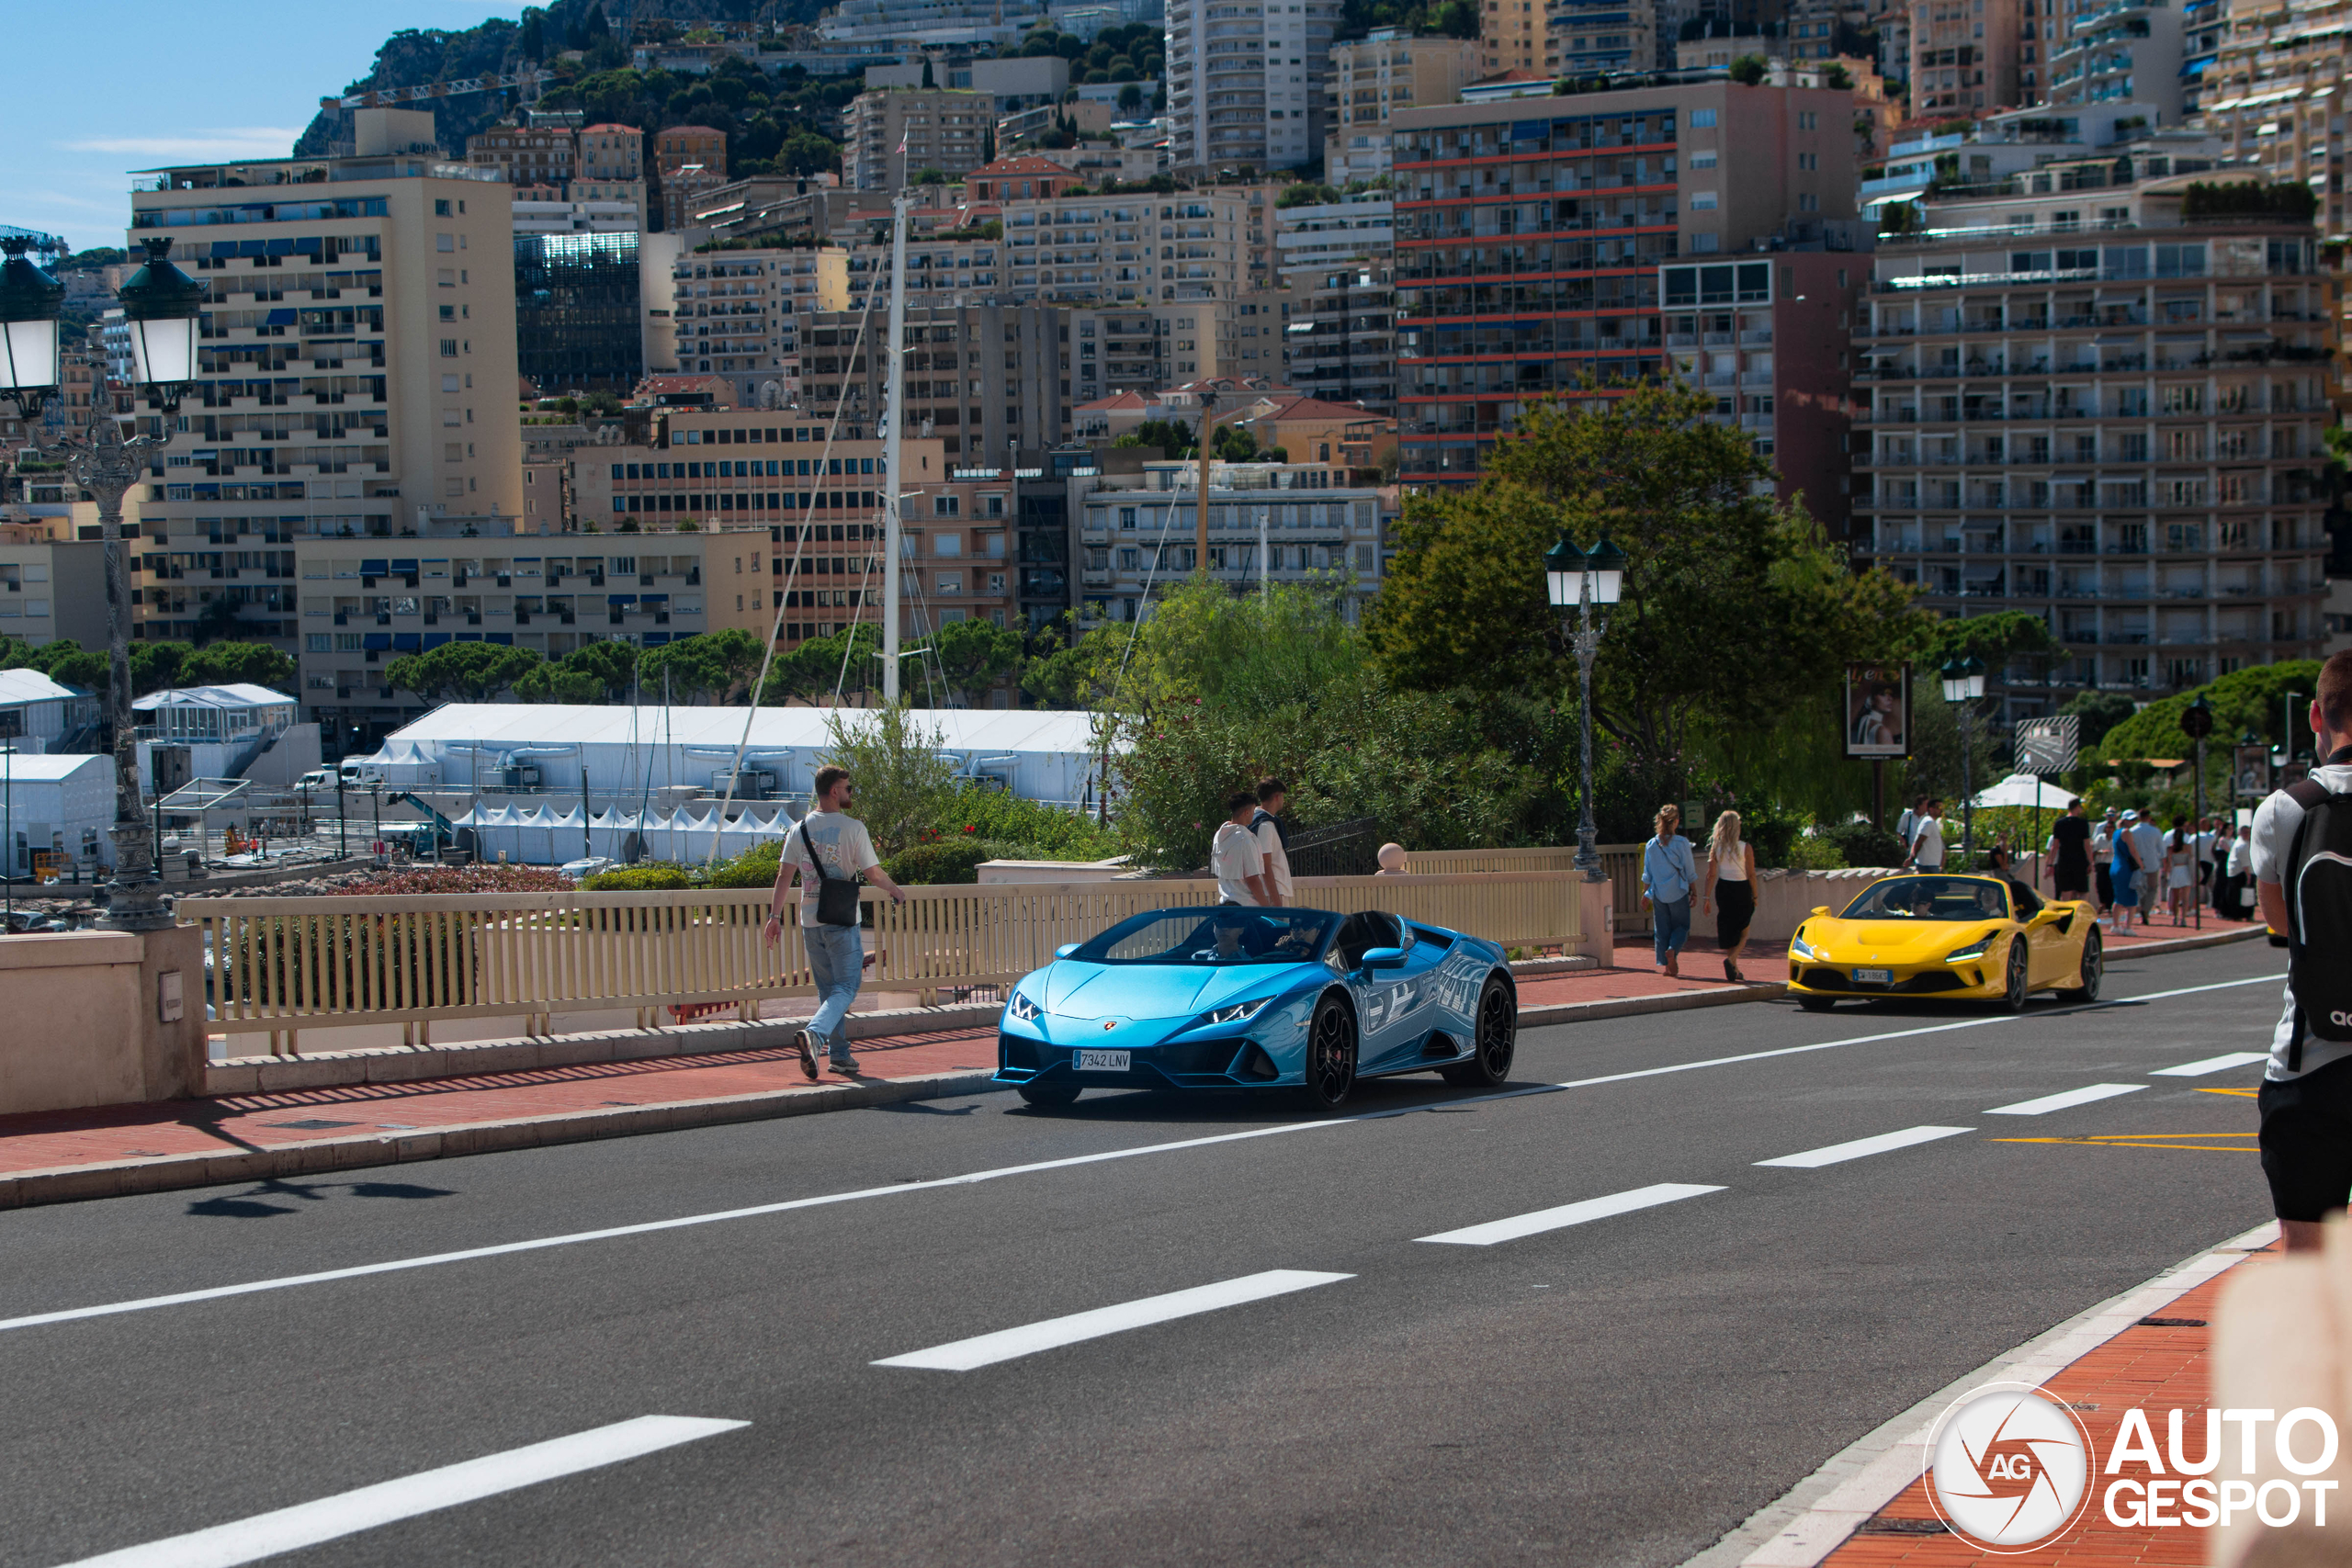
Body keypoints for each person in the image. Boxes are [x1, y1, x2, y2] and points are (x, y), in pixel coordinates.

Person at [2253, 649, 2352, 1253]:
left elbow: (2280, 927)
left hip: (2308, 1065)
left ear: (2315, 715)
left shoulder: (2286, 809)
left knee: (2308, 1264)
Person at [764, 765, 909, 1080]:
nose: (850, 792)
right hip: (842, 921)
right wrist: (896, 891)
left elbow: (784, 875)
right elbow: (873, 873)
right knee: (847, 986)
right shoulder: (853, 828)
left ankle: (840, 1056)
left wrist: (774, 918)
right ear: (834, 791)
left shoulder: (798, 829)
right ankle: (814, 1036)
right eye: (847, 788)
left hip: (810, 922)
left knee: (829, 991)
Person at [1701, 808, 1758, 983]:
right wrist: (1755, 896)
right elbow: (1751, 874)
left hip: (1724, 889)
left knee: (1729, 927)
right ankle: (1731, 960)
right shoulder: (1745, 847)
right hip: (1741, 888)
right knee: (1744, 931)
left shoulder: (1716, 848)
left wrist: (1706, 898)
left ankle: (1735, 969)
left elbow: (1710, 874)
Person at [1641, 803, 1698, 977]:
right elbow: (1689, 870)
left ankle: (1666, 966)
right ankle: (1672, 950)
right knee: (1682, 926)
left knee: (1662, 930)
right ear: (1676, 822)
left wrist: (1645, 894)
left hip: (1658, 893)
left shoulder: (1651, 844)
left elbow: (1647, 873)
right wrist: (1694, 891)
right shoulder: (1681, 843)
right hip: (1678, 891)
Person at [1211, 791, 1273, 907]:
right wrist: (1266, 907)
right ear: (1247, 812)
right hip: (1246, 907)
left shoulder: (1219, 836)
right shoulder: (1245, 839)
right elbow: (1252, 879)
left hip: (1225, 904)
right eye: (1253, 811)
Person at [1250, 776, 1292, 908]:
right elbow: (1266, 866)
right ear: (1277, 797)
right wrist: (1277, 903)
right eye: (1283, 796)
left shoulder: (1262, 821)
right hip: (1274, 891)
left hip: (1275, 890)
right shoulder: (1265, 825)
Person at [2046, 798, 2092, 900]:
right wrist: (2090, 861)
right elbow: (2087, 845)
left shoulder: (2059, 824)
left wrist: (2050, 863)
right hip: (2080, 861)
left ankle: (2068, 915)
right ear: (2077, 807)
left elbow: (2055, 846)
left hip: (2064, 862)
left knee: (2066, 893)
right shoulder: (2083, 823)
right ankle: (2080, 914)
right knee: (2083, 892)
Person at [2109, 807, 2144, 935]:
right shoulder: (2126, 833)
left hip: (2116, 866)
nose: (2133, 822)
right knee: (2131, 898)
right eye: (2130, 820)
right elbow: (2133, 851)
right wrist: (2141, 864)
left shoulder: (2116, 832)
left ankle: (2116, 925)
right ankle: (2128, 927)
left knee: (2118, 898)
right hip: (2125, 868)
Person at [2215, 820, 2252, 921]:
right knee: (2234, 894)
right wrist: (2248, 875)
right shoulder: (2241, 844)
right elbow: (2243, 860)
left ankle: (2235, 913)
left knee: (2234, 894)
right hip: (2234, 870)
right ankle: (2232, 914)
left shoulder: (2236, 841)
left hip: (2235, 869)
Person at [2165, 816, 2195, 926]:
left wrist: (2167, 874)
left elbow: (2168, 862)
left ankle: (2175, 917)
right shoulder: (2187, 847)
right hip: (2184, 870)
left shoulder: (2170, 848)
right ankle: (2183, 918)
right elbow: (2191, 861)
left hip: (2175, 871)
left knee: (2176, 897)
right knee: (2185, 897)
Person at [1902, 798, 1946, 871]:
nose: (1941, 810)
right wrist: (1911, 858)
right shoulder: (1928, 822)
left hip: (1933, 864)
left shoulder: (1933, 822)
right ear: (1931, 809)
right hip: (1927, 865)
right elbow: (1919, 841)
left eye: (1942, 808)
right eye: (1939, 807)